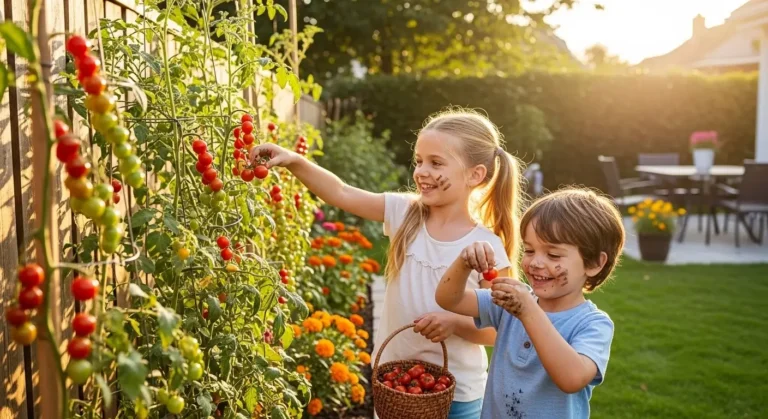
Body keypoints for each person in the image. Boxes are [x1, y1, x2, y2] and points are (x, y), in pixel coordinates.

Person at [249, 108, 525, 418]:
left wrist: (454, 324)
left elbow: (499, 330)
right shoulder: (405, 212)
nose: (421, 171)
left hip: (458, 396)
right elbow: (341, 192)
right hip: (395, 384)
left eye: (436, 163)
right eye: (419, 161)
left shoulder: (486, 248)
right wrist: (294, 161)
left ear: (475, 175)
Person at [435, 188, 625, 418]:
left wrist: (528, 311)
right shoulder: (512, 301)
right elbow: (448, 299)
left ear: (594, 263)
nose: (535, 262)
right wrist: (464, 263)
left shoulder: (592, 324)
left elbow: (572, 378)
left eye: (553, 255)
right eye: (529, 250)